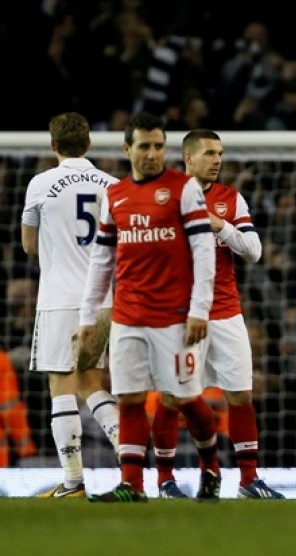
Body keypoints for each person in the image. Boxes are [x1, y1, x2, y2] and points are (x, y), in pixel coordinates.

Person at [78, 111, 221, 503]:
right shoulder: (116, 195)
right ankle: (132, 485)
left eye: (159, 145)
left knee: (184, 398)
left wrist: (199, 308)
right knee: (130, 398)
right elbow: (102, 259)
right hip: (128, 316)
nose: (154, 153)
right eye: (145, 146)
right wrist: (88, 315)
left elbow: (203, 249)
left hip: (174, 317)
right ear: (128, 149)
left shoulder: (184, 188)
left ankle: (211, 466)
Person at [147, 129, 285, 500]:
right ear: (188, 158)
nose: (217, 160)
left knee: (240, 394)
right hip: (182, 316)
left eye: (220, 153)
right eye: (209, 153)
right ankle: (164, 480)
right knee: (174, 397)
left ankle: (248, 481)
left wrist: (219, 224)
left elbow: (253, 251)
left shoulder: (230, 199)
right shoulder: (167, 197)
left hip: (226, 313)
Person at [20, 112, 120, 497]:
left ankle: (74, 481)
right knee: (92, 384)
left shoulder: (40, 183)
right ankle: (131, 461)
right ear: (90, 143)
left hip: (60, 298)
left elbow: (29, 246)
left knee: (61, 385)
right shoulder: (112, 184)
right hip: (103, 299)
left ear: (53, 145)